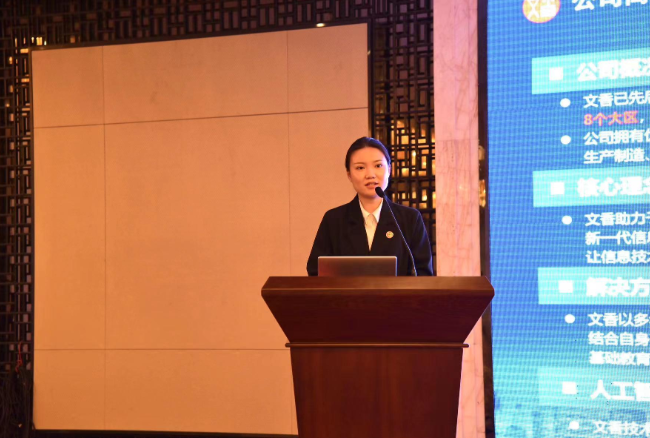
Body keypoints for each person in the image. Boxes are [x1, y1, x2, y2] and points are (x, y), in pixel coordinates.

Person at [307, 137, 434, 276]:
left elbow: (423, 274)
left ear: (389, 169)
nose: (370, 175)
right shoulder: (334, 220)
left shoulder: (409, 219)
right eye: (360, 168)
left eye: (378, 166)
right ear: (349, 175)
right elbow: (316, 271)